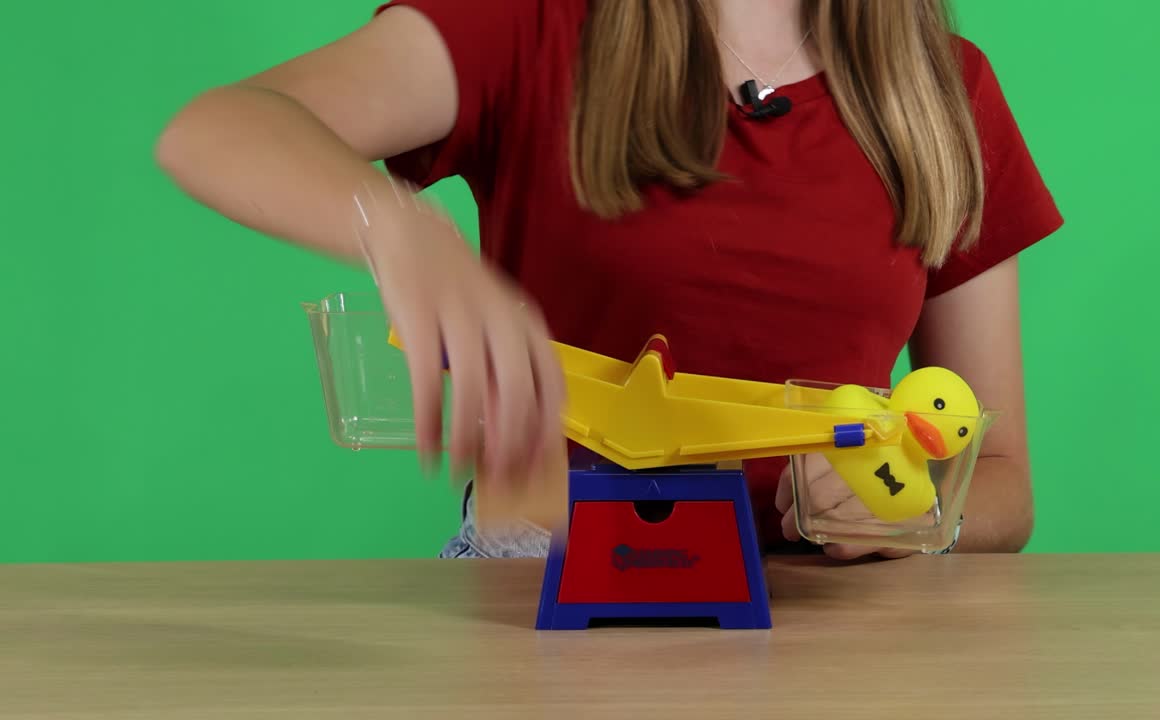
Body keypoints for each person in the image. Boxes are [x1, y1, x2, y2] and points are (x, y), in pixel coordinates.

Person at [156, 0, 1062, 561]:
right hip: (540, 595)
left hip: (834, 633)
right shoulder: (531, 22)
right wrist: (395, 226)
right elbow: (218, 126)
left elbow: (1005, 479)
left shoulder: (945, 92)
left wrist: (913, 512)